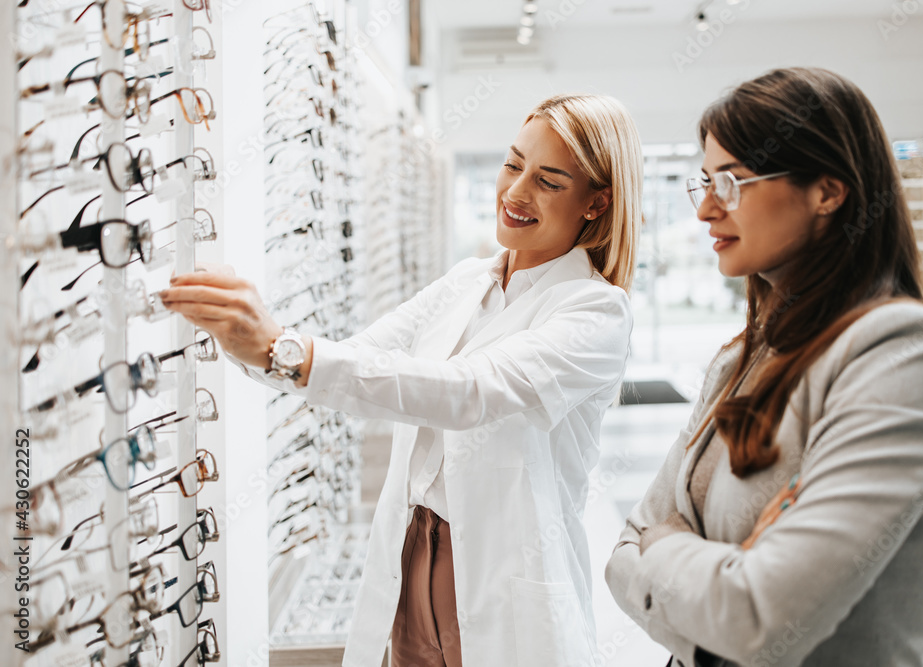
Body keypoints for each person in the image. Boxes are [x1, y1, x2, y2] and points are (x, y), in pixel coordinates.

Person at [160, 93, 643, 667]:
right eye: (513, 164)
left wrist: (281, 347)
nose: (515, 192)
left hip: (498, 578)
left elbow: (466, 392)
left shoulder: (596, 312)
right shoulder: (467, 282)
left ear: (597, 202)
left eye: (549, 181)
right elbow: (351, 362)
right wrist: (245, 339)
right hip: (412, 554)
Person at [605, 67, 923, 667]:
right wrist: (709, 578)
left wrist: (665, 547)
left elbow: (761, 618)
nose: (705, 208)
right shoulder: (740, 357)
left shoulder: (904, 352)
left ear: (828, 191)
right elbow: (621, 550)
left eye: (731, 182)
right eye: (703, 181)